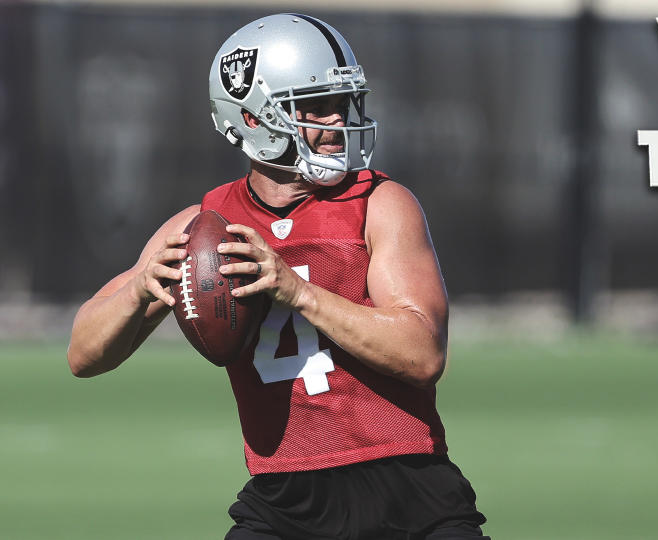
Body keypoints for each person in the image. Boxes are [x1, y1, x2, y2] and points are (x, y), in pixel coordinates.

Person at [67, 13, 489, 540]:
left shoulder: (379, 203)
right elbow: (82, 355)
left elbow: (422, 354)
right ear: (250, 119)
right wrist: (137, 289)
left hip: (410, 492)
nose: (337, 123)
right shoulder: (205, 227)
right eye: (314, 108)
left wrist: (298, 292)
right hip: (284, 501)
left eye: (343, 105)